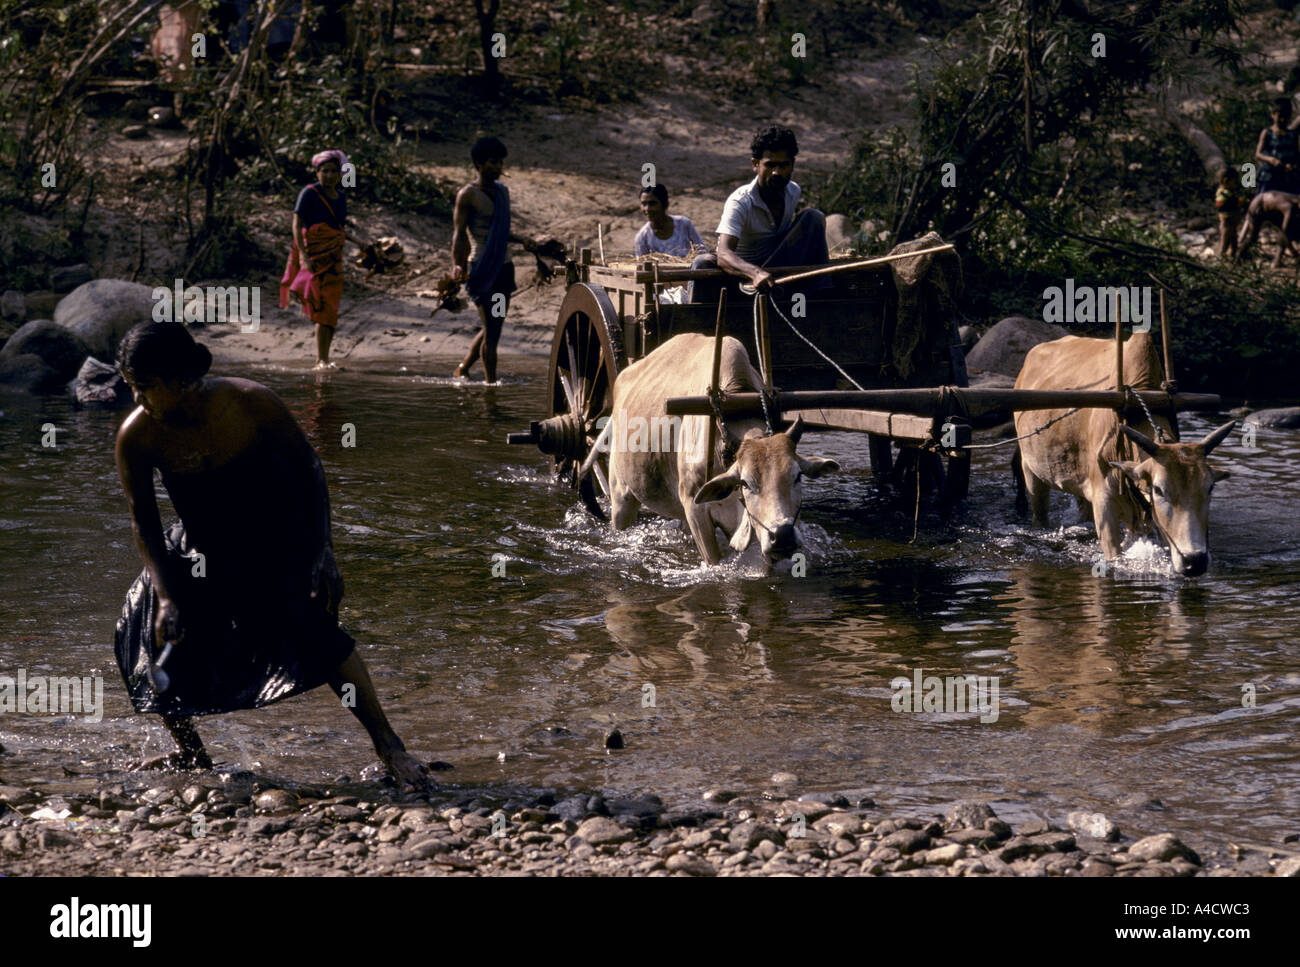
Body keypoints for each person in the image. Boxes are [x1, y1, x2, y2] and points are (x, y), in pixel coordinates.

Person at [113, 320, 426, 785]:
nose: (138, 399)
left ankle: (390, 747)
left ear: (179, 378)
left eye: (146, 387)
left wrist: (324, 554)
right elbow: (145, 522)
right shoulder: (136, 437)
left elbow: (309, 472)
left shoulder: (249, 402)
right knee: (144, 631)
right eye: (131, 387)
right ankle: (191, 753)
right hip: (200, 546)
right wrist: (165, 596)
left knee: (317, 635)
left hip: (273, 540)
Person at [689, 126, 828, 304]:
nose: (777, 172)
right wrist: (755, 273)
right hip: (743, 278)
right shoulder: (740, 202)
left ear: (792, 165)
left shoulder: (793, 191)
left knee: (813, 217)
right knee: (702, 263)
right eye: (770, 165)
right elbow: (724, 254)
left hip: (778, 272)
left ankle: (821, 293)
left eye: (783, 165)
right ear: (755, 164)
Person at [280, 149, 368, 369]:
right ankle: (321, 359)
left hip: (333, 258)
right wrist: (304, 257)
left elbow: (338, 228)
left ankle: (325, 359)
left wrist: (360, 243)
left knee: (331, 307)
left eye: (333, 171)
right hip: (314, 255)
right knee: (322, 308)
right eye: (324, 171)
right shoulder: (309, 192)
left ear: (340, 174)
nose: (328, 175)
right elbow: (296, 224)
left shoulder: (341, 198)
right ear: (316, 172)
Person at [452, 136, 516, 383]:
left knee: (494, 324)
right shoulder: (467, 195)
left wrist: (527, 242)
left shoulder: (503, 192)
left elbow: (502, 232)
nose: (499, 167)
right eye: (492, 162)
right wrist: (456, 265)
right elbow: (458, 235)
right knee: (493, 330)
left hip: (504, 269)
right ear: (478, 164)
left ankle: (463, 367)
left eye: (501, 162)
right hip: (481, 270)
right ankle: (491, 386)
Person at [633, 184, 706, 258]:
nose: (647, 209)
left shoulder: (683, 224)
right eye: (644, 204)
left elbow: (702, 251)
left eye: (652, 203)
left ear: (665, 204)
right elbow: (642, 265)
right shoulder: (643, 237)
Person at [1236, 189, 1300, 266]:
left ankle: (1276, 261)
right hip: (1258, 207)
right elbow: (1284, 231)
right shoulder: (1289, 207)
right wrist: (1293, 252)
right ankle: (1238, 257)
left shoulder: (1294, 199)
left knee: (1282, 234)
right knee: (1253, 237)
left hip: (1270, 209)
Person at [1254, 97, 1300, 196]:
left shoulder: (1293, 135)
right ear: (1273, 114)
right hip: (1269, 176)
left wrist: (1292, 166)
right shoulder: (1267, 133)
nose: (1282, 120)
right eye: (1280, 117)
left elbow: (1296, 155)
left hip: (1288, 177)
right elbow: (1258, 154)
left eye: (1285, 117)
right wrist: (1270, 159)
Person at [1215, 168, 1249, 260]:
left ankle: (1233, 254)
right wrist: (1237, 202)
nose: (1236, 184)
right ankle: (1221, 256)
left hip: (1233, 222)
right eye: (1234, 182)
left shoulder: (1229, 192)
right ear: (1226, 181)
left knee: (1234, 239)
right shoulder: (1223, 193)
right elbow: (1220, 204)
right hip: (1227, 222)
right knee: (1225, 239)